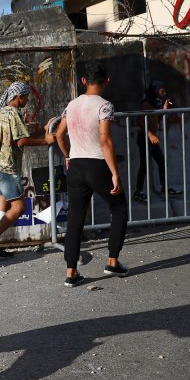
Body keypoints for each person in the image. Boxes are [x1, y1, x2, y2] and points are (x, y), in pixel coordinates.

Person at [55, 60, 129, 287]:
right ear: (107, 81)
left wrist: (67, 156)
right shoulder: (105, 105)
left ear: (83, 81)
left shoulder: (71, 104)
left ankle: (71, 272)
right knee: (118, 209)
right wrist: (115, 173)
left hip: (76, 165)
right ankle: (112, 261)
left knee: (75, 218)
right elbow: (105, 139)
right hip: (97, 165)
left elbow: (59, 135)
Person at [0, 81, 55, 259]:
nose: (27, 100)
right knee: (19, 207)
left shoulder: (4, 112)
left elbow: (22, 136)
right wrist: (45, 141)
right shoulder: (13, 113)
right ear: (18, 97)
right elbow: (20, 142)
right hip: (6, 168)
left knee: (3, 206)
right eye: (26, 97)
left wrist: (43, 131)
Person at [133, 80, 180, 202]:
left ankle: (164, 188)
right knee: (144, 165)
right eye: (161, 89)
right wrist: (150, 135)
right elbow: (139, 122)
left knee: (161, 162)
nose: (163, 92)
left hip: (151, 139)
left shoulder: (155, 103)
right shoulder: (146, 104)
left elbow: (157, 119)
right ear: (155, 90)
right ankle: (138, 192)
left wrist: (164, 109)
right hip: (145, 138)